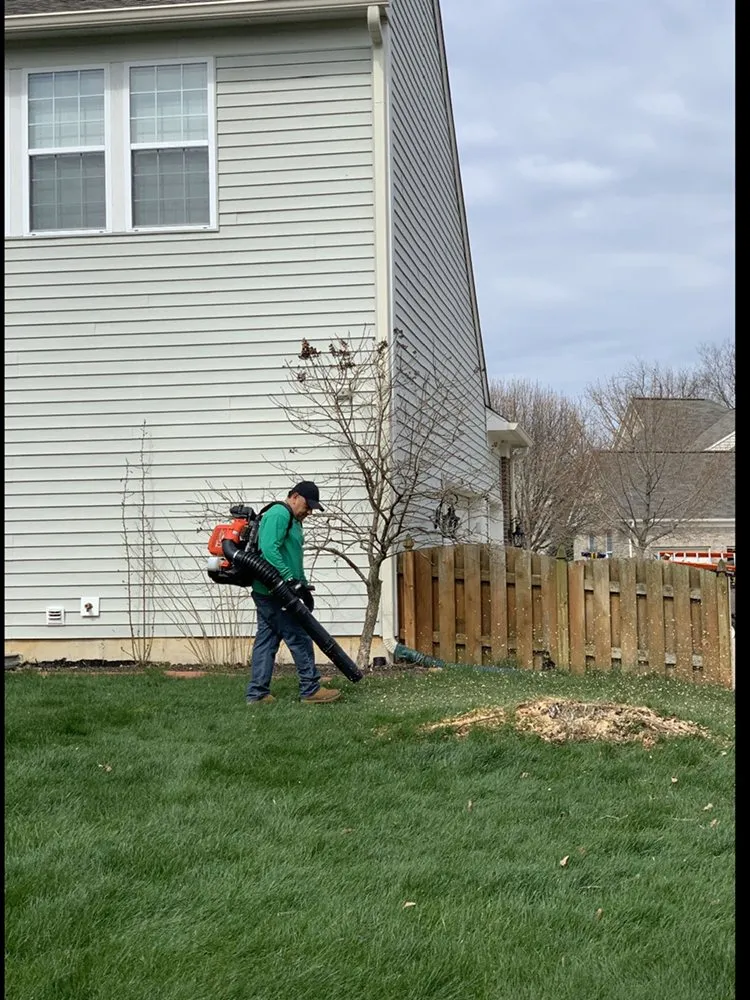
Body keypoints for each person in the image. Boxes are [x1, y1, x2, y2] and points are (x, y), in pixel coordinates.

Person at [246, 481, 341, 704]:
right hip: (273, 591)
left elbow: (292, 556)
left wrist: (303, 584)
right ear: (295, 496)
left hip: (275, 590)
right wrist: (289, 578)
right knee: (299, 637)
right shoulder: (279, 513)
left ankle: (257, 694)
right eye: (307, 506)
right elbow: (269, 549)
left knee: (267, 641)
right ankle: (310, 689)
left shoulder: (294, 521)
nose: (308, 512)